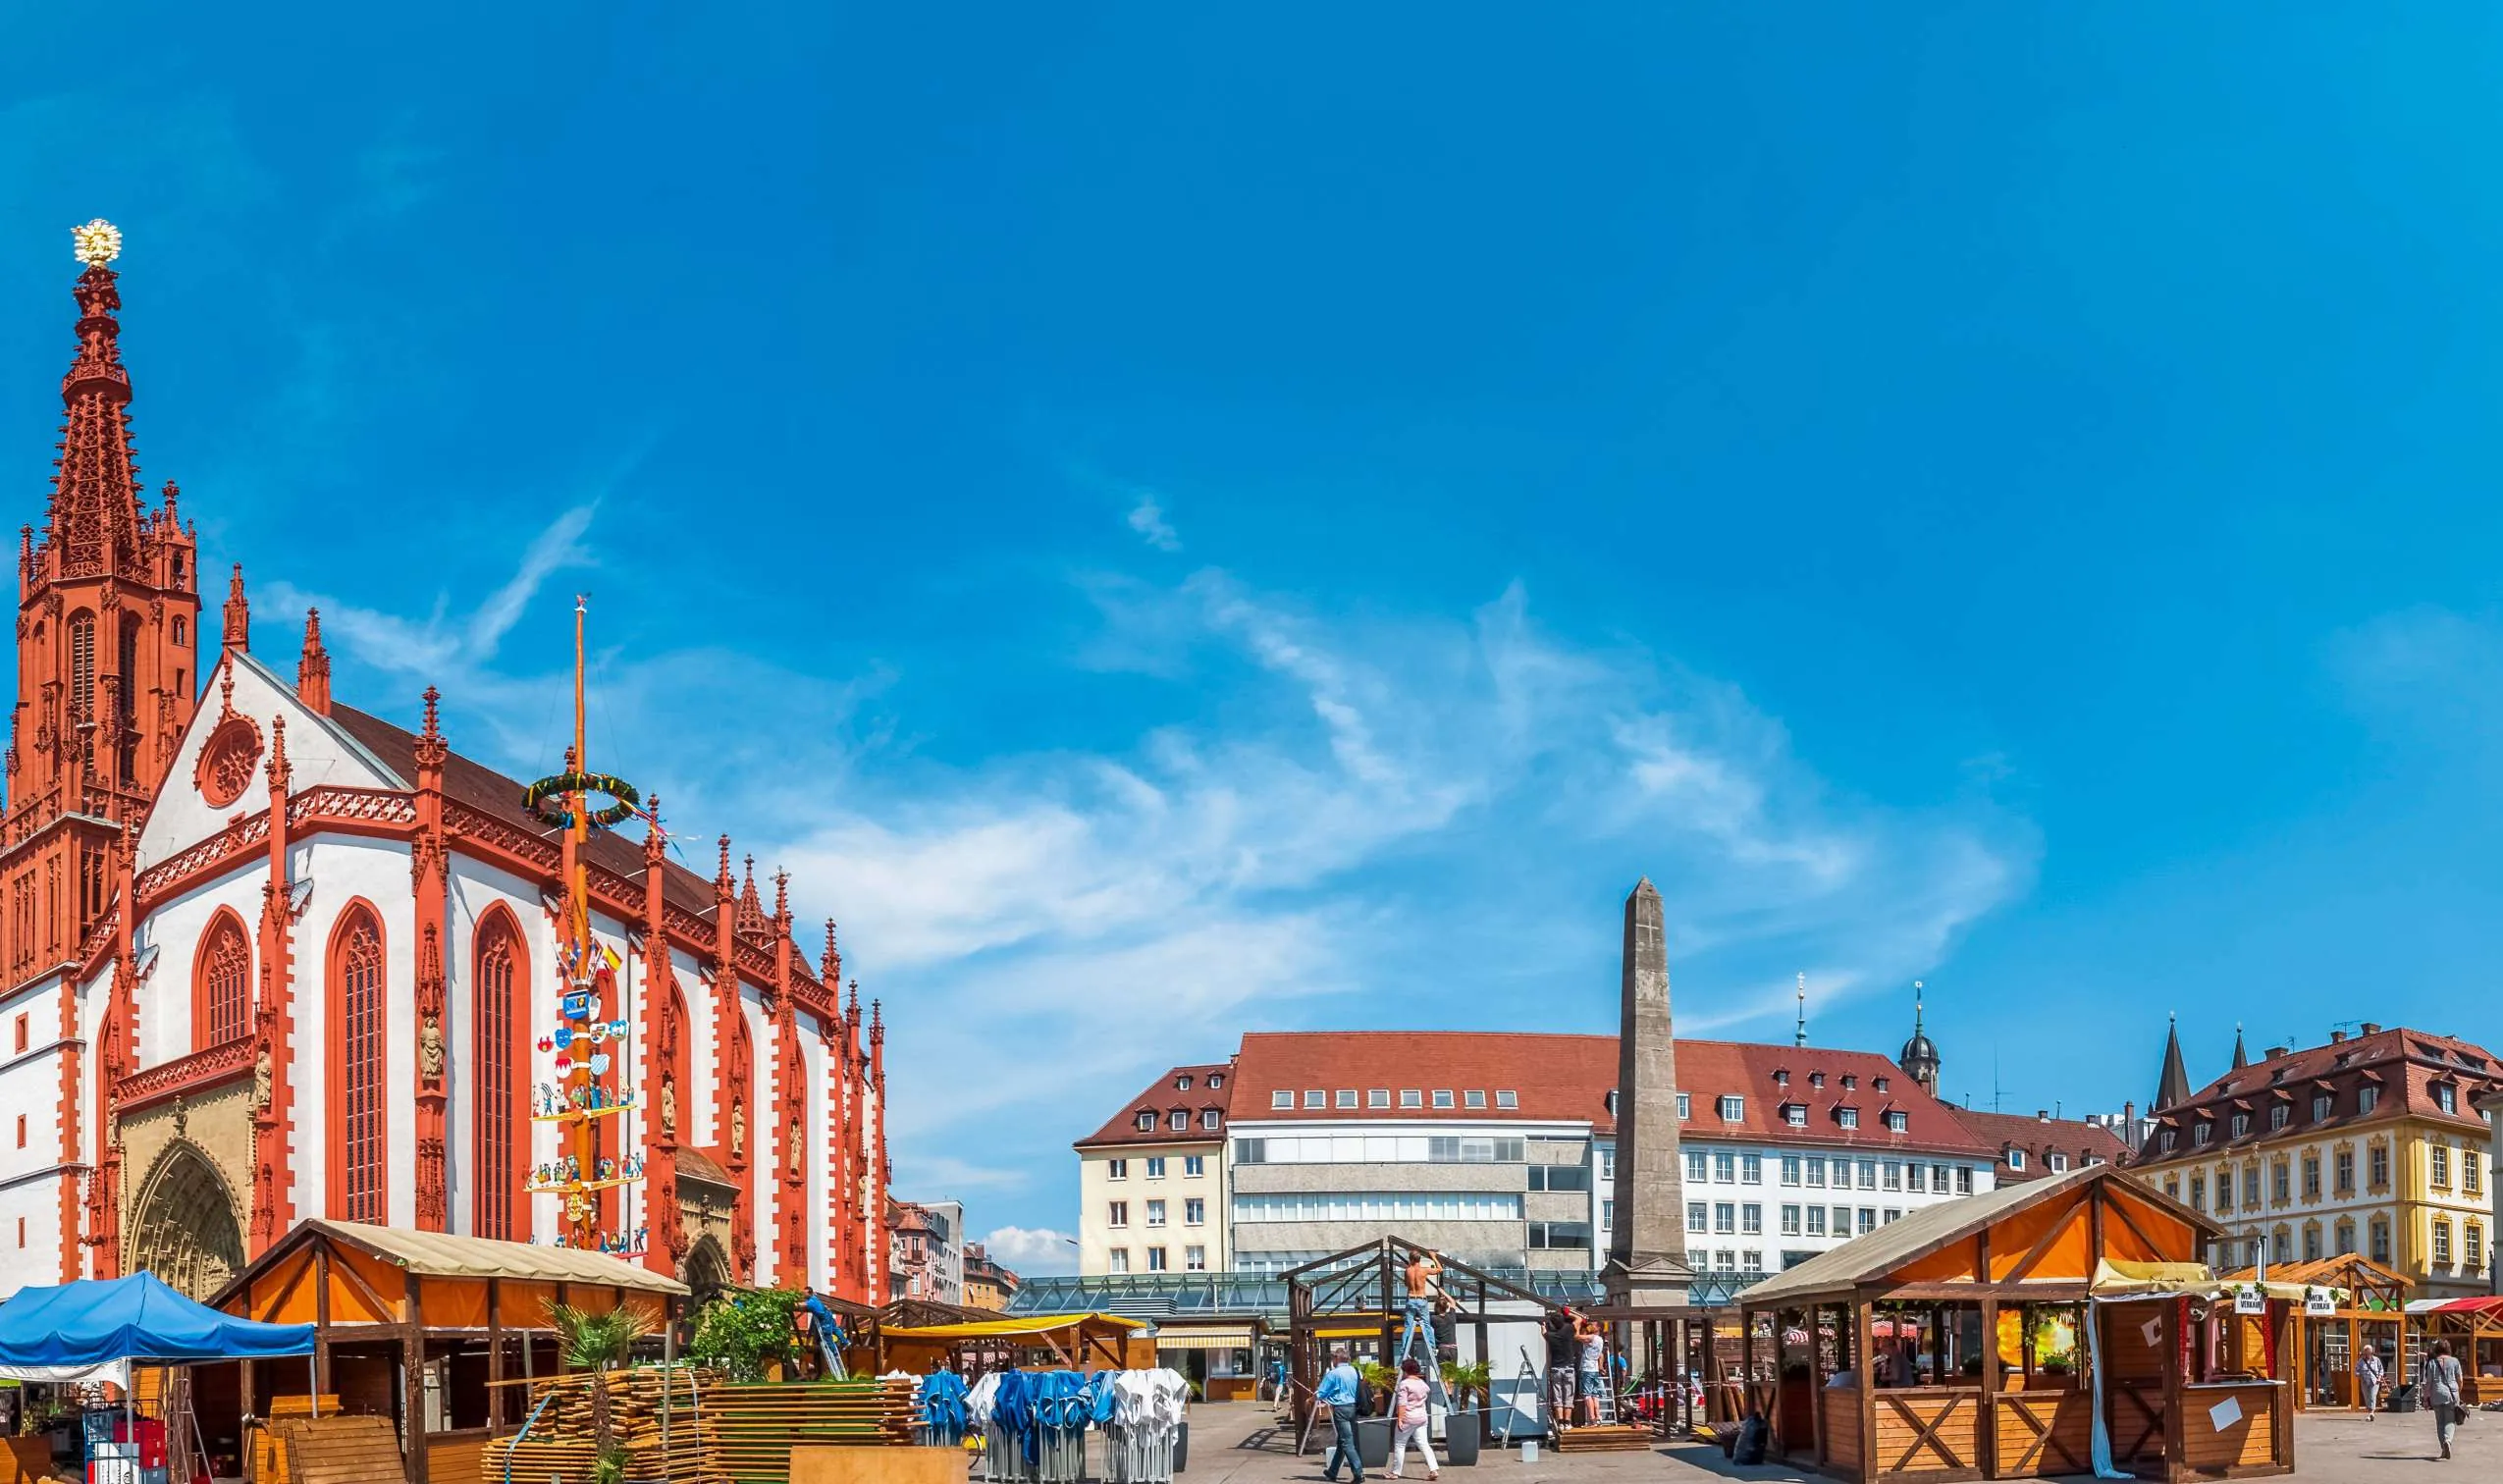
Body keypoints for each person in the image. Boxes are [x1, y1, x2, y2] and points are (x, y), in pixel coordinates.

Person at [1317, 1346, 1365, 1483]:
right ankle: (1332, 1471)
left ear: (1337, 1358)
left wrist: (1310, 1400)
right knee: (1342, 1442)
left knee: (1347, 1443)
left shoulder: (1334, 1374)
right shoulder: (1355, 1371)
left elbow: (1321, 1393)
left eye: (1333, 1357)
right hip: (1353, 1408)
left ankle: (1358, 1473)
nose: (1332, 1360)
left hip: (1341, 1409)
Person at [1388, 1356, 1439, 1481]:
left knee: (1400, 1444)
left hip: (1408, 1417)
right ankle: (1434, 1469)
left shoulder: (1404, 1384)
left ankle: (1395, 1472)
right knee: (1424, 1444)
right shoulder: (1423, 1384)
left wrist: (1400, 1419)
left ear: (1405, 1371)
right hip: (1422, 1417)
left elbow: (1402, 1403)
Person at [1397, 1249, 1444, 1370]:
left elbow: (1407, 1284)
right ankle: (1432, 1348)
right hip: (1422, 1299)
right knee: (1427, 1324)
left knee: (1408, 1326)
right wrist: (1433, 1257)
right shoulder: (1424, 1270)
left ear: (1411, 1259)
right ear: (1419, 1260)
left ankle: (1404, 1350)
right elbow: (1440, 1269)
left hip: (1411, 1298)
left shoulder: (1408, 1270)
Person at [2426, 1338, 2465, 1461]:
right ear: (2448, 1349)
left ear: (2437, 1349)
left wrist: (2426, 1398)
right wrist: (2457, 1392)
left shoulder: (2432, 1363)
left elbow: (2429, 1382)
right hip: (2452, 1394)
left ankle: (2443, 1447)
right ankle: (2447, 1440)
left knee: (2440, 1422)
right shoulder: (2455, 1361)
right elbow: (2460, 1380)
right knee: (2449, 1421)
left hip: (2437, 1393)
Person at [1543, 1308, 1579, 1431]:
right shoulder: (1568, 1329)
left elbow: (1543, 1333)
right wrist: (1568, 1312)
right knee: (1568, 1396)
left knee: (1557, 1398)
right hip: (1568, 1368)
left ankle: (1560, 1423)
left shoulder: (1550, 1335)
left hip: (1555, 1369)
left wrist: (1543, 1326)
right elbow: (1579, 1319)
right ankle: (1568, 1422)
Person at [1577, 1318, 1607, 1423]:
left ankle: (1592, 1419)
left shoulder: (1592, 1337)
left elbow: (1577, 1336)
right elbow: (1601, 1355)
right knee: (1595, 1395)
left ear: (1598, 1327)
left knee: (1587, 1395)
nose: (1591, 1326)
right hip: (1594, 1369)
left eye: (1593, 1325)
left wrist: (1577, 1323)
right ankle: (1598, 1417)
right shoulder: (1600, 1339)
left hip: (1587, 1368)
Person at [2357, 1346, 2384, 1419]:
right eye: (2365, 1353)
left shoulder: (2376, 1360)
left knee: (2372, 1396)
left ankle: (2371, 1413)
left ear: (2371, 1353)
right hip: (2364, 1381)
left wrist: (2379, 1378)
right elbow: (2356, 1370)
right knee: (2366, 1397)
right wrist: (2359, 1375)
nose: (2367, 1355)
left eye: (2369, 1353)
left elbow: (2381, 1370)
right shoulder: (2361, 1361)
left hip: (2374, 1381)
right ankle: (2370, 1411)